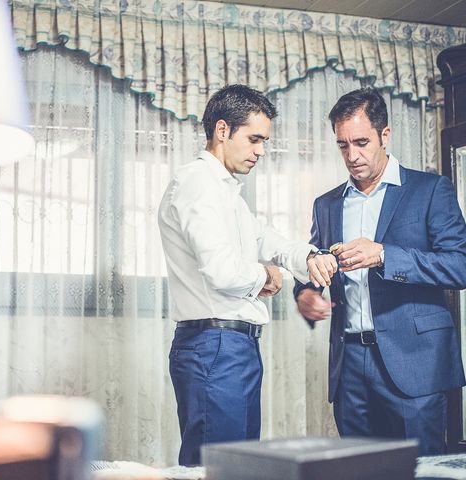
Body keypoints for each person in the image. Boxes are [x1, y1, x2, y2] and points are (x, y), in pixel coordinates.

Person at [158, 84, 336, 466]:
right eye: (254, 139)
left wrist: (309, 257)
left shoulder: (225, 192)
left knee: (238, 468)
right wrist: (271, 277)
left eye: (264, 141)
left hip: (229, 348)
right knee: (220, 470)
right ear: (222, 131)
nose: (261, 151)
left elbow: (264, 238)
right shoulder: (198, 184)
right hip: (215, 347)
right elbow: (223, 271)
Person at [294, 87, 466, 456]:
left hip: (415, 363)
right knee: (359, 470)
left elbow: (459, 265)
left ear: (384, 135)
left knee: (421, 472)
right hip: (350, 366)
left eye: (361, 142)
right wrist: (307, 295)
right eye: (342, 145)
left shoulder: (431, 190)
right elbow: (313, 268)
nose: (352, 156)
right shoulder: (325, 204)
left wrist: (385, 255)